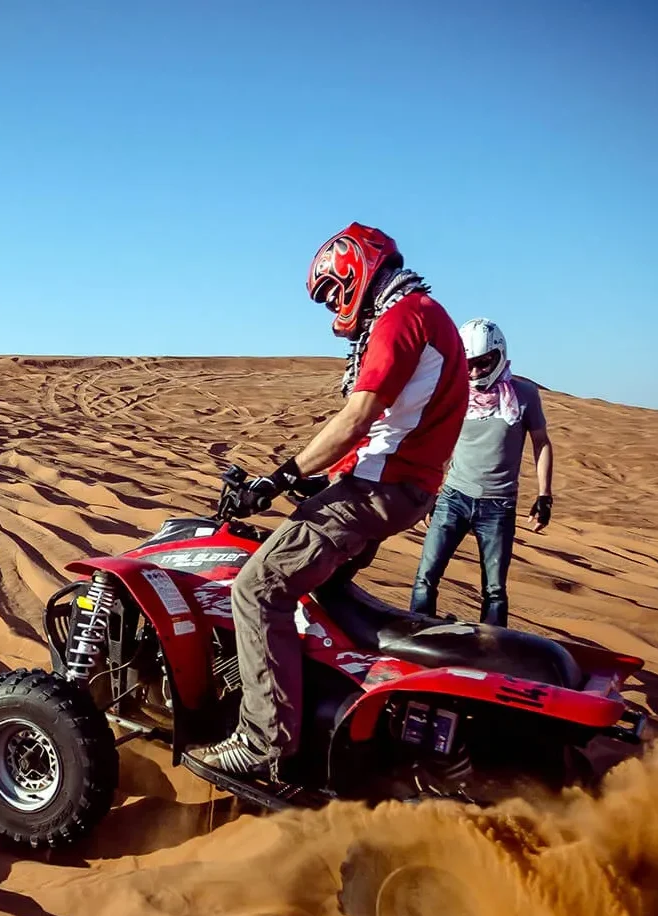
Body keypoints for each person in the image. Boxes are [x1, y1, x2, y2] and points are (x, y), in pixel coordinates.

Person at [188, 223, 468, 778]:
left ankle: (264, 741)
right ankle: (317, 708)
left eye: (333, 293)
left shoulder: (400, 320)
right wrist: (321, 481)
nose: (333, 308)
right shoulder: (421, 316)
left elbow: (357, 419)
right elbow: (392, 426)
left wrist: (280, 477)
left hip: (380, 489)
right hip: (395, 485)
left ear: (356, 270)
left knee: (256, 587)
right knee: (316, 593)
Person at [408, 319, 554, 627]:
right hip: (453, 498)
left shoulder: (524, 395)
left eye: (484, 363)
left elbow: (541, 443)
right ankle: (416, 639)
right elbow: (442, 445)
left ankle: (492, 655)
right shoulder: (454, 395)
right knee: (425, 578)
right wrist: (431, 492)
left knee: (495, 591)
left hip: (498, 506)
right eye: (469, 365)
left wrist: (544, 496)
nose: (475, 373)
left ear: (499, 355)